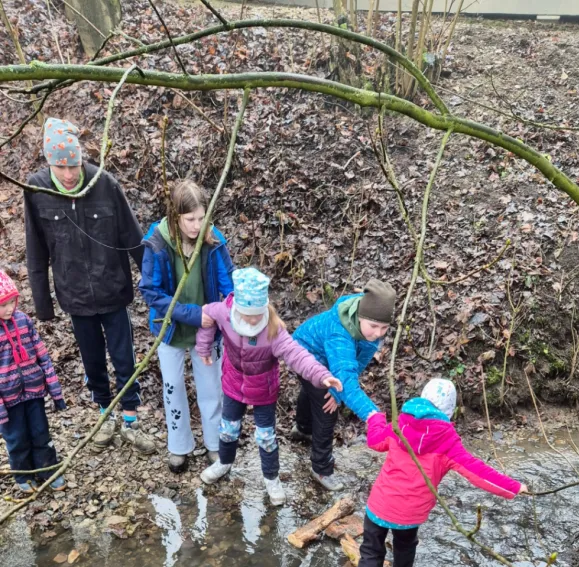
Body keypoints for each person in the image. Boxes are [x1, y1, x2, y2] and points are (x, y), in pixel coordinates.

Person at [24, 117, 154, 454]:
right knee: (92, 358)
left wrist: (156, 284)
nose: (69, 174)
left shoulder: (104, 183)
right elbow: (36, 251)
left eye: (74, 165)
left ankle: (130, 417)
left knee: (124, 357)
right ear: (49, 163)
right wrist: (43, 306)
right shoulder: (37, 190)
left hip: (113, 289)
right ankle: (104, 413)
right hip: (75, 295)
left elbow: (133, 237)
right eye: (61, 167)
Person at [350, 378, 528, 567]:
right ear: (449, 410)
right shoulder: (447, 440)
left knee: (371, 549)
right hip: (411, 513)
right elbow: (476, 472)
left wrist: (376, 419)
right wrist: (513, 487)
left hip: (380, 504)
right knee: (406, 544)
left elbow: (375, 441)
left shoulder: (400, 424)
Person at [195, 267, 343, 506]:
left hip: (263, 389)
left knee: (266, 437)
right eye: (247, 315)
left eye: (257, 314)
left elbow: (297, 355)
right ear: (237, 308)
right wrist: (203, 346)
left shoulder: (274, 329)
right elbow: (207, 315)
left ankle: (272, 478)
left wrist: (321, 375)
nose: (253, 320)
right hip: (233, 383)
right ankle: (224, 462)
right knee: (228, 429)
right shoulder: (224, 312)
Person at [139, 180, 233, 473]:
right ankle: (179, 446)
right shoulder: (157, 243)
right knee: (173, 386)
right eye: (190, 219)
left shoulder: (213, 239)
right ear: (175, 216)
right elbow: (151, 291)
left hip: (208, 329)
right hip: (170, 328)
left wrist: (232, 311)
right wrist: (192, 314)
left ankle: (214, 444)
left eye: (201, 217)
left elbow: (228, 281)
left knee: (211, 386)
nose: (196, 225)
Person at [291, 279, 396, 492]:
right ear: (360, 317)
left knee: (319, 394)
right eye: (374, 327)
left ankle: (302, 429)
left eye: (384, 328)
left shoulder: (368, 325)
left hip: (329, 358)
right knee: (326, 409)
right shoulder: (339, 333)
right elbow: (346, 382)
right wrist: (372, 415)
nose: (378, 333)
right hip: (304, 354)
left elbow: (356, 363)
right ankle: (321, 469)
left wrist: (337, 392)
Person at [0, 269, 66, 494]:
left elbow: (43, 356)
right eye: (3, 305)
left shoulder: (24, 321)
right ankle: (23, 475)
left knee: (41, 432)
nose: (9, 308)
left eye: (12, 302)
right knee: (17, 438)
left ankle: (48, 469)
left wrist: (55, 392)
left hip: (34, 390)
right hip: (8, 398)